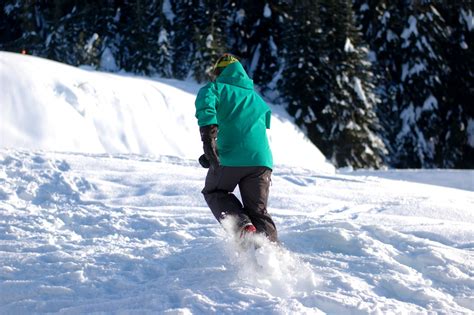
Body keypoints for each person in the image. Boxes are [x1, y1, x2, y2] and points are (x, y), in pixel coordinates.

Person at [195, 53, 278, 244]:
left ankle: (243, 228)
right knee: (257, 211)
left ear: (219, 72)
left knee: (215, 192)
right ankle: (272, 253)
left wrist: (209, 141)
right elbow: (248, 130)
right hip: (262, 162)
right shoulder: (257, 99)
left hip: (231, 158)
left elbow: (206, 108)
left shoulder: (215, 89)